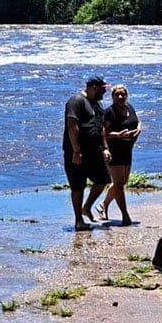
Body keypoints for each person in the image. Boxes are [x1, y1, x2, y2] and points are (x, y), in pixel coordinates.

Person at [63, 76, 112, 231]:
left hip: (95, 151)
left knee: (103, 179)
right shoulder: (76, 101)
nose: (104, 93)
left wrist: (105, 148)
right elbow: (72, 126)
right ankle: (79, 220)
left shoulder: (97, 104)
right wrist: (76, 151)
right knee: (78, 186)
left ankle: (87, 207)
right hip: (76, 152)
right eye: (103, 89)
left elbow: (101, 127)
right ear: (94, 88)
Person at [97, 84, 142, 226]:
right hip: (114, 150)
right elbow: (102, 132)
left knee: (121, 182)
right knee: (118, 184)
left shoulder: (130, 108)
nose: (120, 97)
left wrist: (139, 129)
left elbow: (137, 121)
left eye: (123, 94)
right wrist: (118, 135)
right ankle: (125, 215)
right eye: (117, 95)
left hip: (127, 149)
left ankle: (103, 205)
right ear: (112, 97)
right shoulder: (109, 112)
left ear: (127, 95)